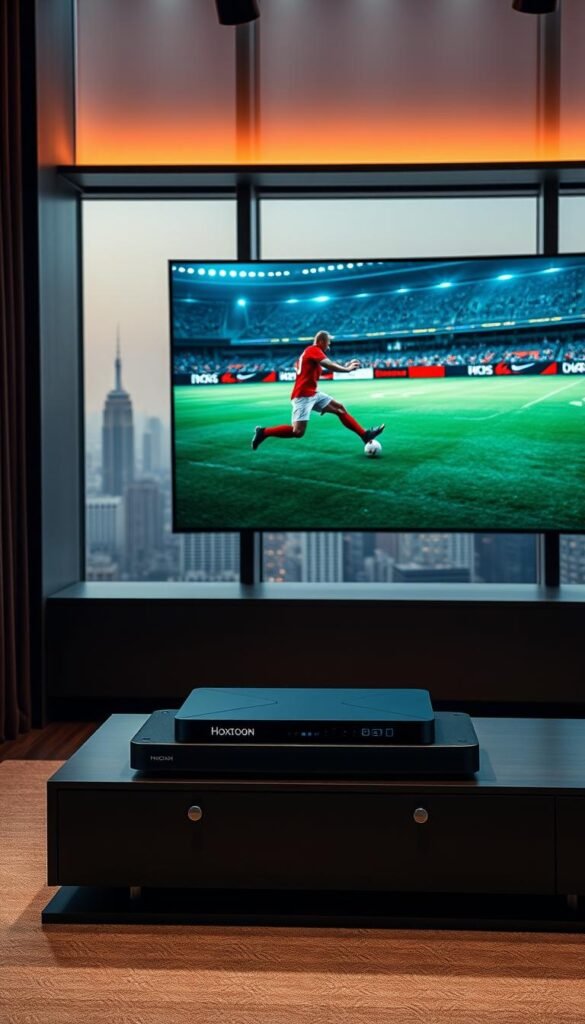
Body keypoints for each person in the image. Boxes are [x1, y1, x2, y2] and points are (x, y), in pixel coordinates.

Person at [251, 330, 384, 450]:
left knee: (339, 408)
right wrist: (347, 369)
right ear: (320, 341)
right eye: (328, 343)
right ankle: (263, 432)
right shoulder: (313, 349)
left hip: (312, 393)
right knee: (297, 432)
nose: (329, 346)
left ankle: (364, 435)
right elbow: (328, 364)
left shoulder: (312, 352)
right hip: (303, 395)